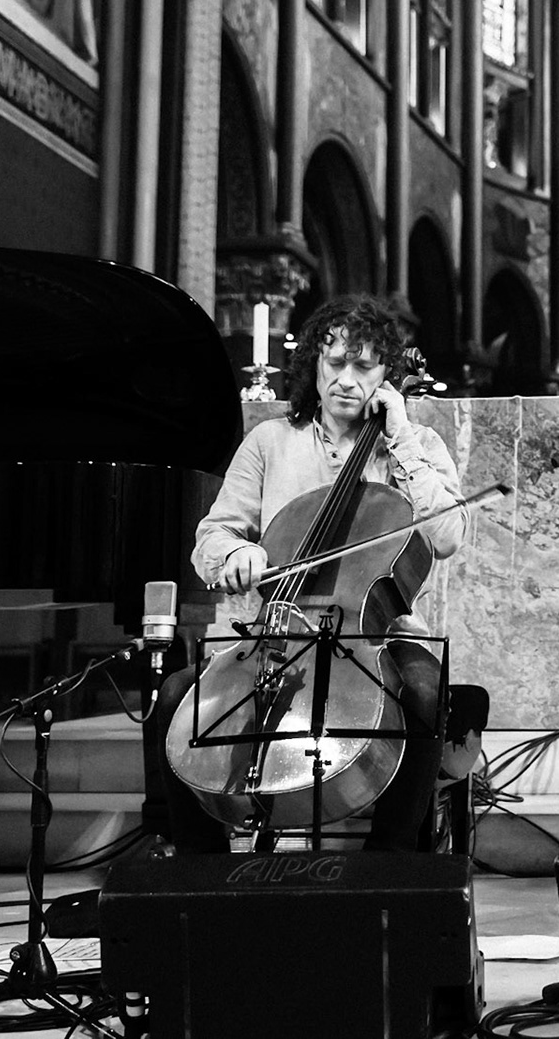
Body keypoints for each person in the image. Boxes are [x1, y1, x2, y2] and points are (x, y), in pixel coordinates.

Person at [151, 293, 469, 853]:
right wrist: (233, 556)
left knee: (422, 694)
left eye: (365, 366)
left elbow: (446, 537)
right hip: (277, 632)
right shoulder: (270, 442)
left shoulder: (415, 448)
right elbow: (213, 533)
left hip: (380, 636)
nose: (347, 379)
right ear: (314, 367)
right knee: (176, 696)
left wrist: (400, 440)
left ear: (387, 376)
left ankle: (390, 863)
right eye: (335, 363)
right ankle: (198, 869)